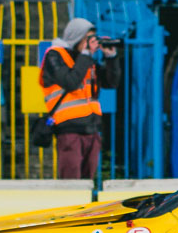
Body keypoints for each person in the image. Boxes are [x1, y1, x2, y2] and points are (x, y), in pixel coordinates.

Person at [39, 17, 121, 180]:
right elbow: (70, 82)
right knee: (71, 183)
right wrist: (86, 54)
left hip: (92, 128)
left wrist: (111, 58)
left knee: (88, 181)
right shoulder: (55, 55)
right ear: (76, 37)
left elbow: (111, 82)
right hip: (69, 130)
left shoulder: (86, 60)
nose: (91, 43)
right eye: (87, 39)